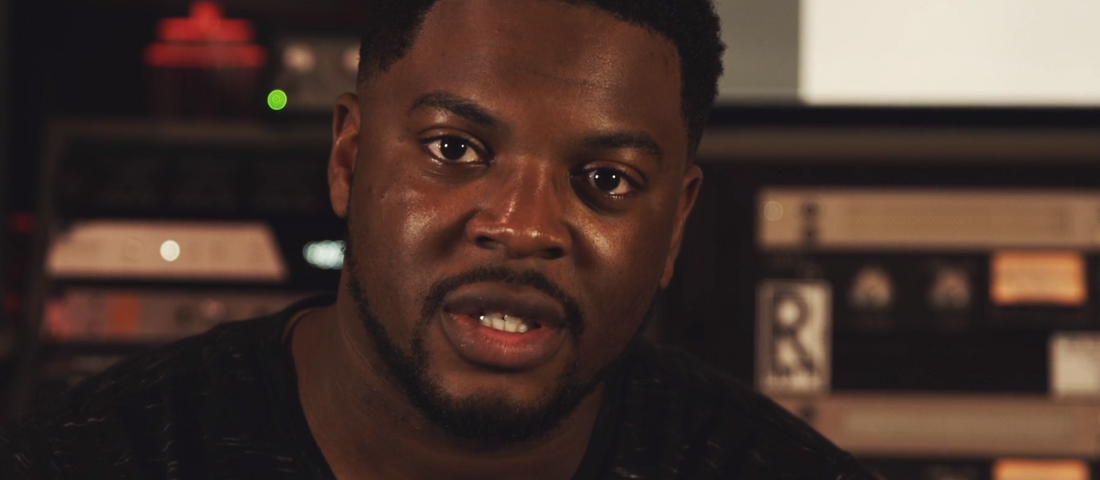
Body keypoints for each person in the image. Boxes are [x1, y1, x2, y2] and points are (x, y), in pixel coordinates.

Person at [0, 0, 875, 478]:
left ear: (676, 223)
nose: (524, 227)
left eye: (605, 180)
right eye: (455, 150)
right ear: (349, 159)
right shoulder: (89, 459)